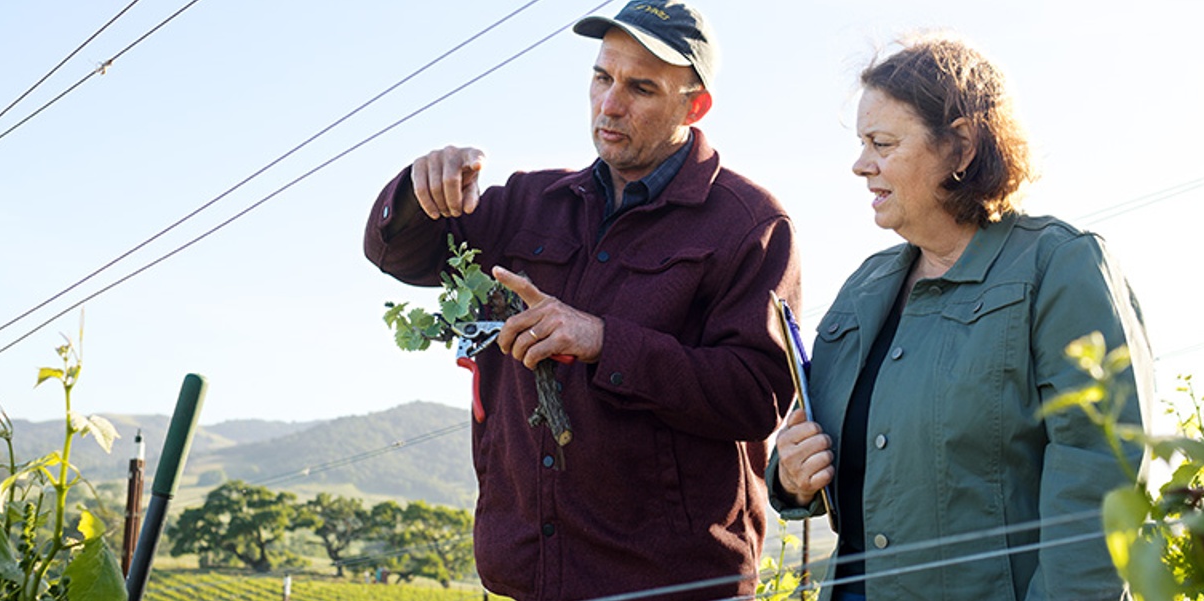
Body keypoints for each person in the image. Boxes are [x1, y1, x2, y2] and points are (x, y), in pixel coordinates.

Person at [362, 2, 800, 599]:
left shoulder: (750, 224)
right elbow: (397, 255)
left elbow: (757, 397)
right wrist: (420, 189)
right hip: (528, 578)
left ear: (694, 106)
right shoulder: (529, 203)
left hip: (673, 586)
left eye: (641, 88)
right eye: (602, 77)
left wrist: (603, 342)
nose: (610, 104)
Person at [769, 32, 1151, 601]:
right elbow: (814, 442)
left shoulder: (1060, 266)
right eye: (862, 143)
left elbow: (1099, 486)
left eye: (882, 143)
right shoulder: (863, 288)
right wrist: (791, 475)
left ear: (963, 147)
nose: (860, 165)